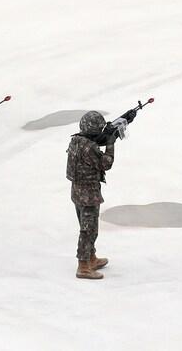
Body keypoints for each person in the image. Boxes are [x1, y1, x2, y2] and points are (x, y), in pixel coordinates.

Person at [66, 111, 115, 280]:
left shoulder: (76, 141)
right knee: (88, 230)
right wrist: (110, 143)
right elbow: (105, 164)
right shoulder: (90, 147)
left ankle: (91, 258)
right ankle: (84, 266)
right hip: (88, 195)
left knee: (89, 227)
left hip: (78, 192)